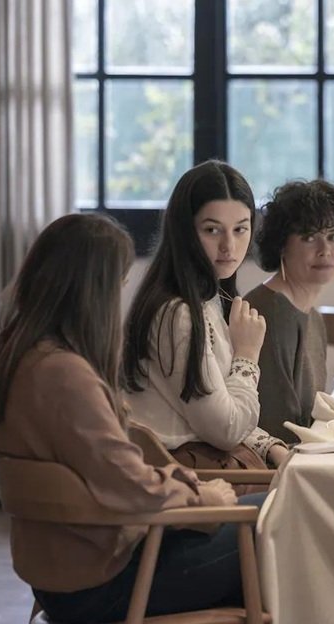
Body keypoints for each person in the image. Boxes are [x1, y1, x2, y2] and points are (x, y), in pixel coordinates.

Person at [0, 214, 257, 622]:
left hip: (61, 578)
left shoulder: (16, 358)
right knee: (279, 517)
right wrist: (202, 497)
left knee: (267, 515)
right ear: (94, 290)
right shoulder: (64, 375)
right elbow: (127, 482)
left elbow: (111, 474)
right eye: (119, 284)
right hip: (104, 583)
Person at [124, 160, 289, 483]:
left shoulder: (208, 299)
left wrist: (270, 447)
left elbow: (219, 410)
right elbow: (226, 430)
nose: (229, 246)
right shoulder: (178, 314)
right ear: (185, 231)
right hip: (191, 479)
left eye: (240, 229)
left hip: (208, 466)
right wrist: (247, 356)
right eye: (212, 230)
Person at [245, 179, 334, 443]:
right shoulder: (272, 313)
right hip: (279, 461)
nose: (325, 251)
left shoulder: (312, 315)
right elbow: (279, 428)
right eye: (309, 237)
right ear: (282, 245)